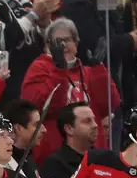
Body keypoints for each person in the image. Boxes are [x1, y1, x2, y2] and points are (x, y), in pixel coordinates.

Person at [21, 17, 119, 165]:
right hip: (55, 155)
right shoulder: (38, 69)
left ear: (77, 44)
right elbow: (46, 108)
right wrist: (59, 69)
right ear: (47, 46)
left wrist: (99, 69)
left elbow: (110, 104)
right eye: (57, 41)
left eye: (68, 40)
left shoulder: (88, 71)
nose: (63, 45)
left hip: (90, 153)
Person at [41, 101, 97, 178]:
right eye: (87, 121)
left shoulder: (102, 159)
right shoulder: (55, 165)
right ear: (69, 129)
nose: (95, 125)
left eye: (94, 120)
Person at [3, 99, 47, 178]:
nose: (44, 130)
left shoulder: (28, 158)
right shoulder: (5, 165)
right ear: (18, 128)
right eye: (37, 125)